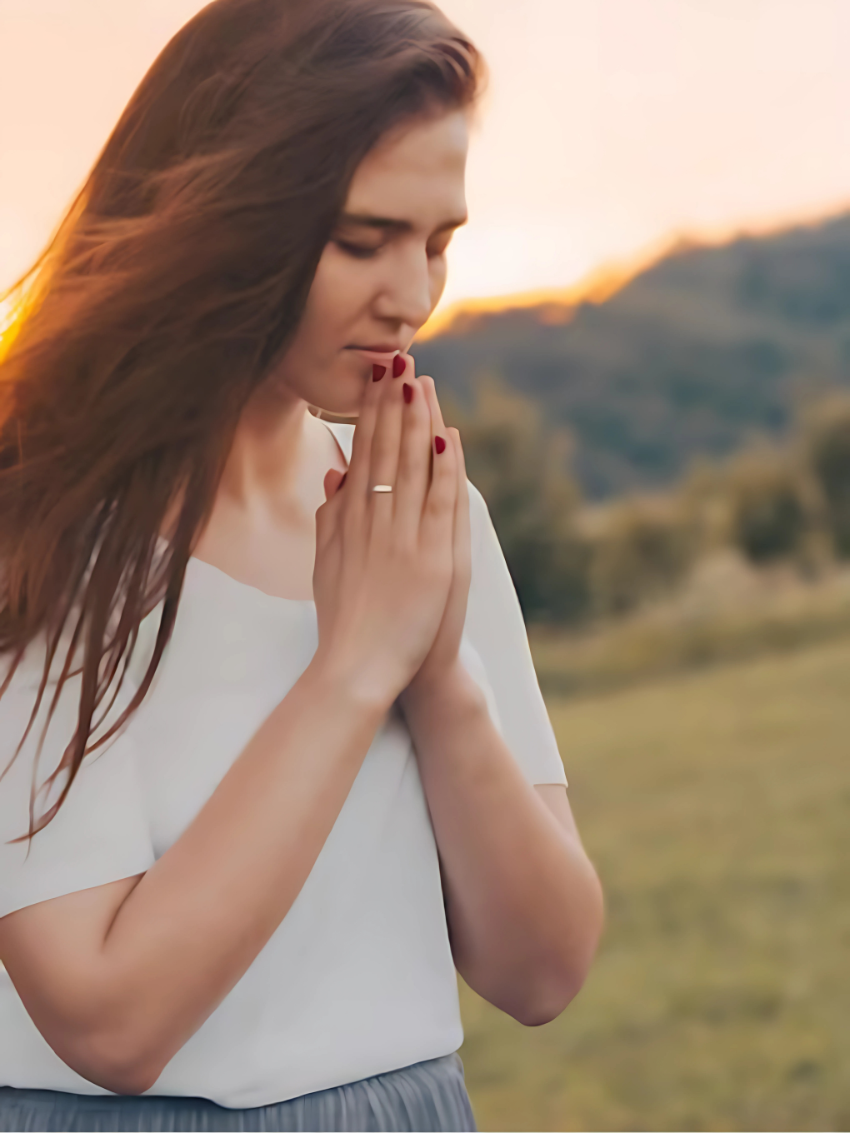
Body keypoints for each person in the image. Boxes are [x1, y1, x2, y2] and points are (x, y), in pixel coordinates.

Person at [0, 0, 604, 1129]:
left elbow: (543, 970)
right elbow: (108, 1018)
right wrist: (356, 665)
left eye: (438, 241)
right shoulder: (34, 526)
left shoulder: (423, 510)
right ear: (231, 215)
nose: (413, 296)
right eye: (361, 239)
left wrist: (439, 679)